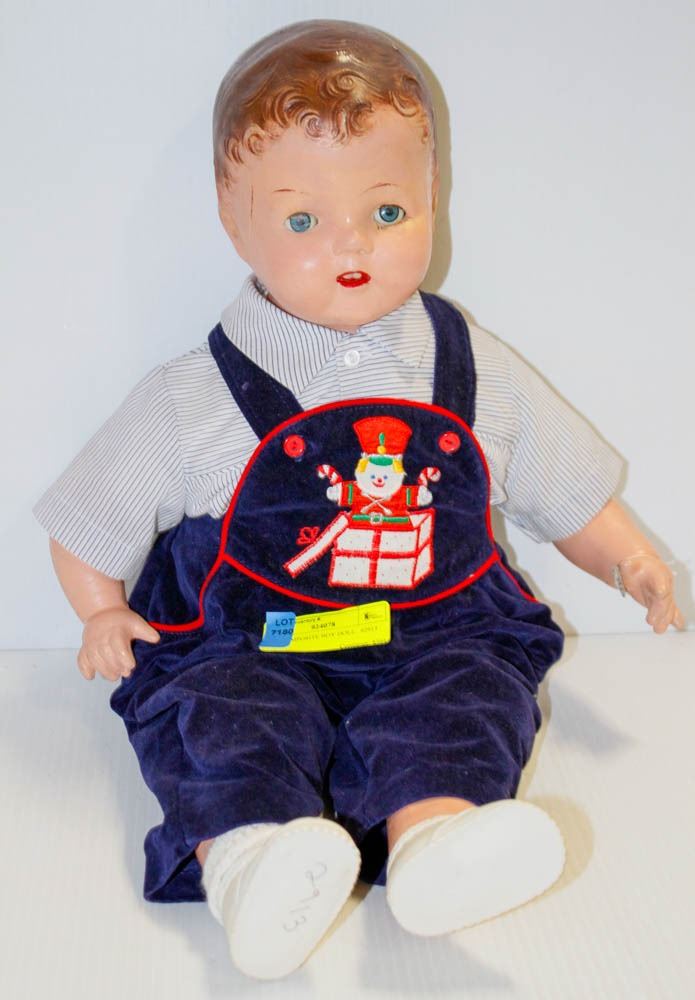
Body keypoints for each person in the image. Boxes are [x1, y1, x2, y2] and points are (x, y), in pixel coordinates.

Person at [34, 19, 683, 981]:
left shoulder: (473, 367)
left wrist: (628, 558)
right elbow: (93, 513)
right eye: (303, 221)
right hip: (255, 639)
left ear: (433, 196)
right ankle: (252, 859)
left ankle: (436, 841)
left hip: (435, 627)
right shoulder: (194, 394)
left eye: (387, 210)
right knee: (224, 716)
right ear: (232, 217)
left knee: (466, 698)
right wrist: (100, 607)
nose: (352, 243)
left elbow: (564, 487)